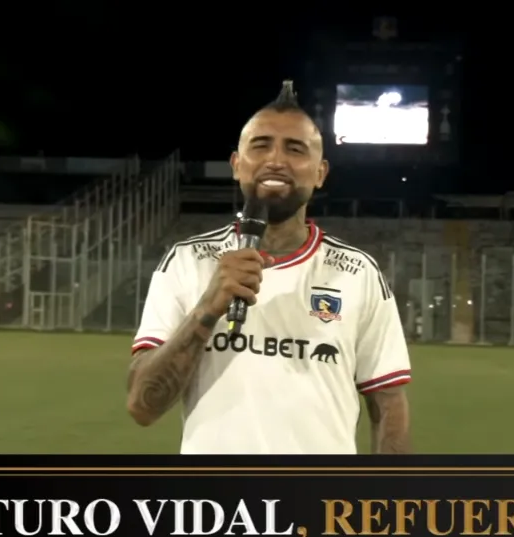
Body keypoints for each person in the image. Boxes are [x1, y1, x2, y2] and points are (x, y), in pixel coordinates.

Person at [127, 80, 412, 454]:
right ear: (236, 165)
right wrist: (208, 307)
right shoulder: (185, 262)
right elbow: (142, 407)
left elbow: (388, 405)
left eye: (295, 149)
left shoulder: (358, 273)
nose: (276, 160)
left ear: (321, 173)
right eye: (260, 146)